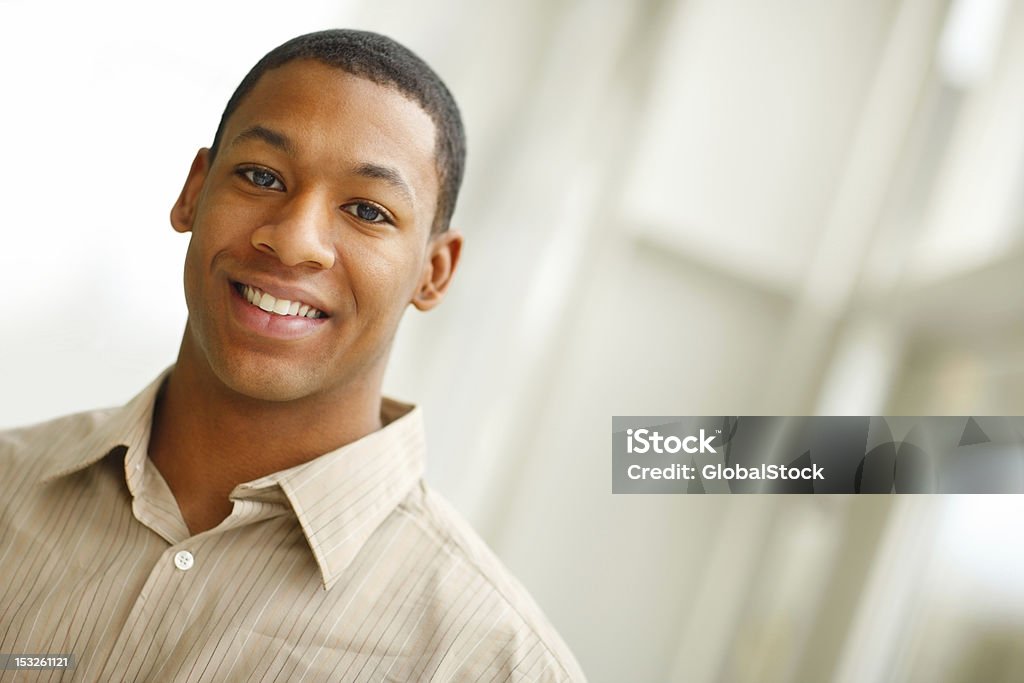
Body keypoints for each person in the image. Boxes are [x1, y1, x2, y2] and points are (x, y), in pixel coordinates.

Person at [0, 29, 585, 681]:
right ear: (195, 190)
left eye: (367, 210)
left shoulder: (491, 660)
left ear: (435, 271)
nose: (294, 240)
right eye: (260, 175)